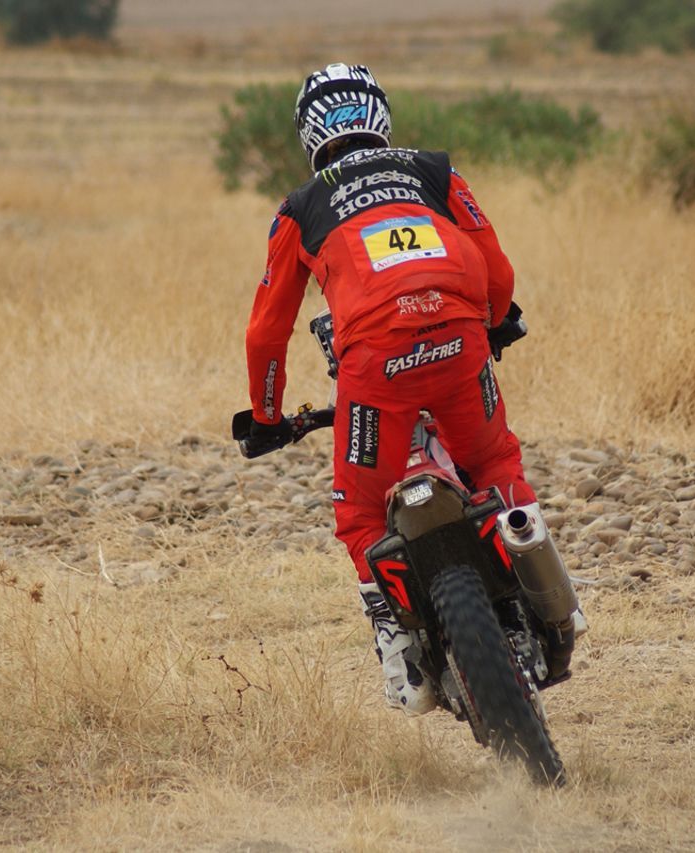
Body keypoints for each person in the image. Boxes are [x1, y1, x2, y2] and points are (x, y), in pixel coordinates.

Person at [244, 63, 545, 715]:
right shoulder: (435, 170)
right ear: (379, 115)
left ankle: (398, 652)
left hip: (375, 360)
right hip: (460, 335)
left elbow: (267, 333)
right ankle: (531, 581)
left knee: (358, 515)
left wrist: (268, 415)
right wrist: (493, 323)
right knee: (493, 463)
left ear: (309, 132)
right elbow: (496, 266)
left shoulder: (299, 207)